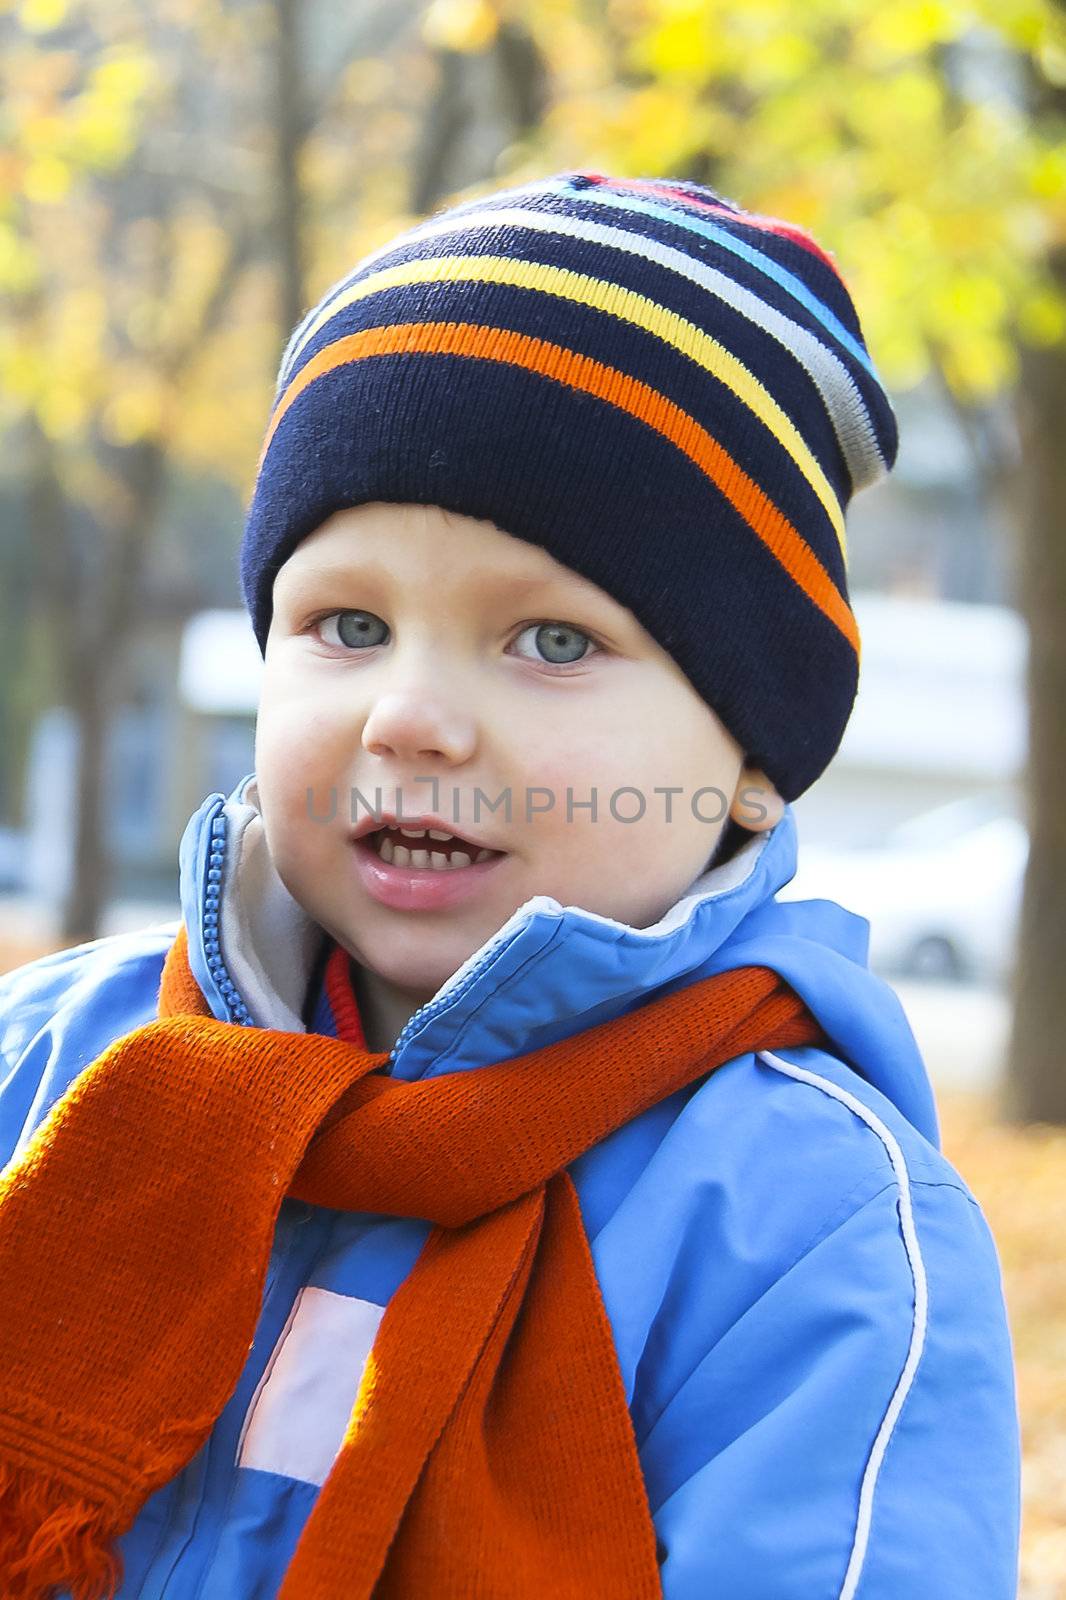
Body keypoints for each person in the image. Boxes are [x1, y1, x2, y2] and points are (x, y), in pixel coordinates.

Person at [0, 171, 1020, 1599]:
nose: (409, 717)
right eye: (347, 623)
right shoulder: (53, 1066)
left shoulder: (809, 1227)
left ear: (750, 757)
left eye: (548, 641)